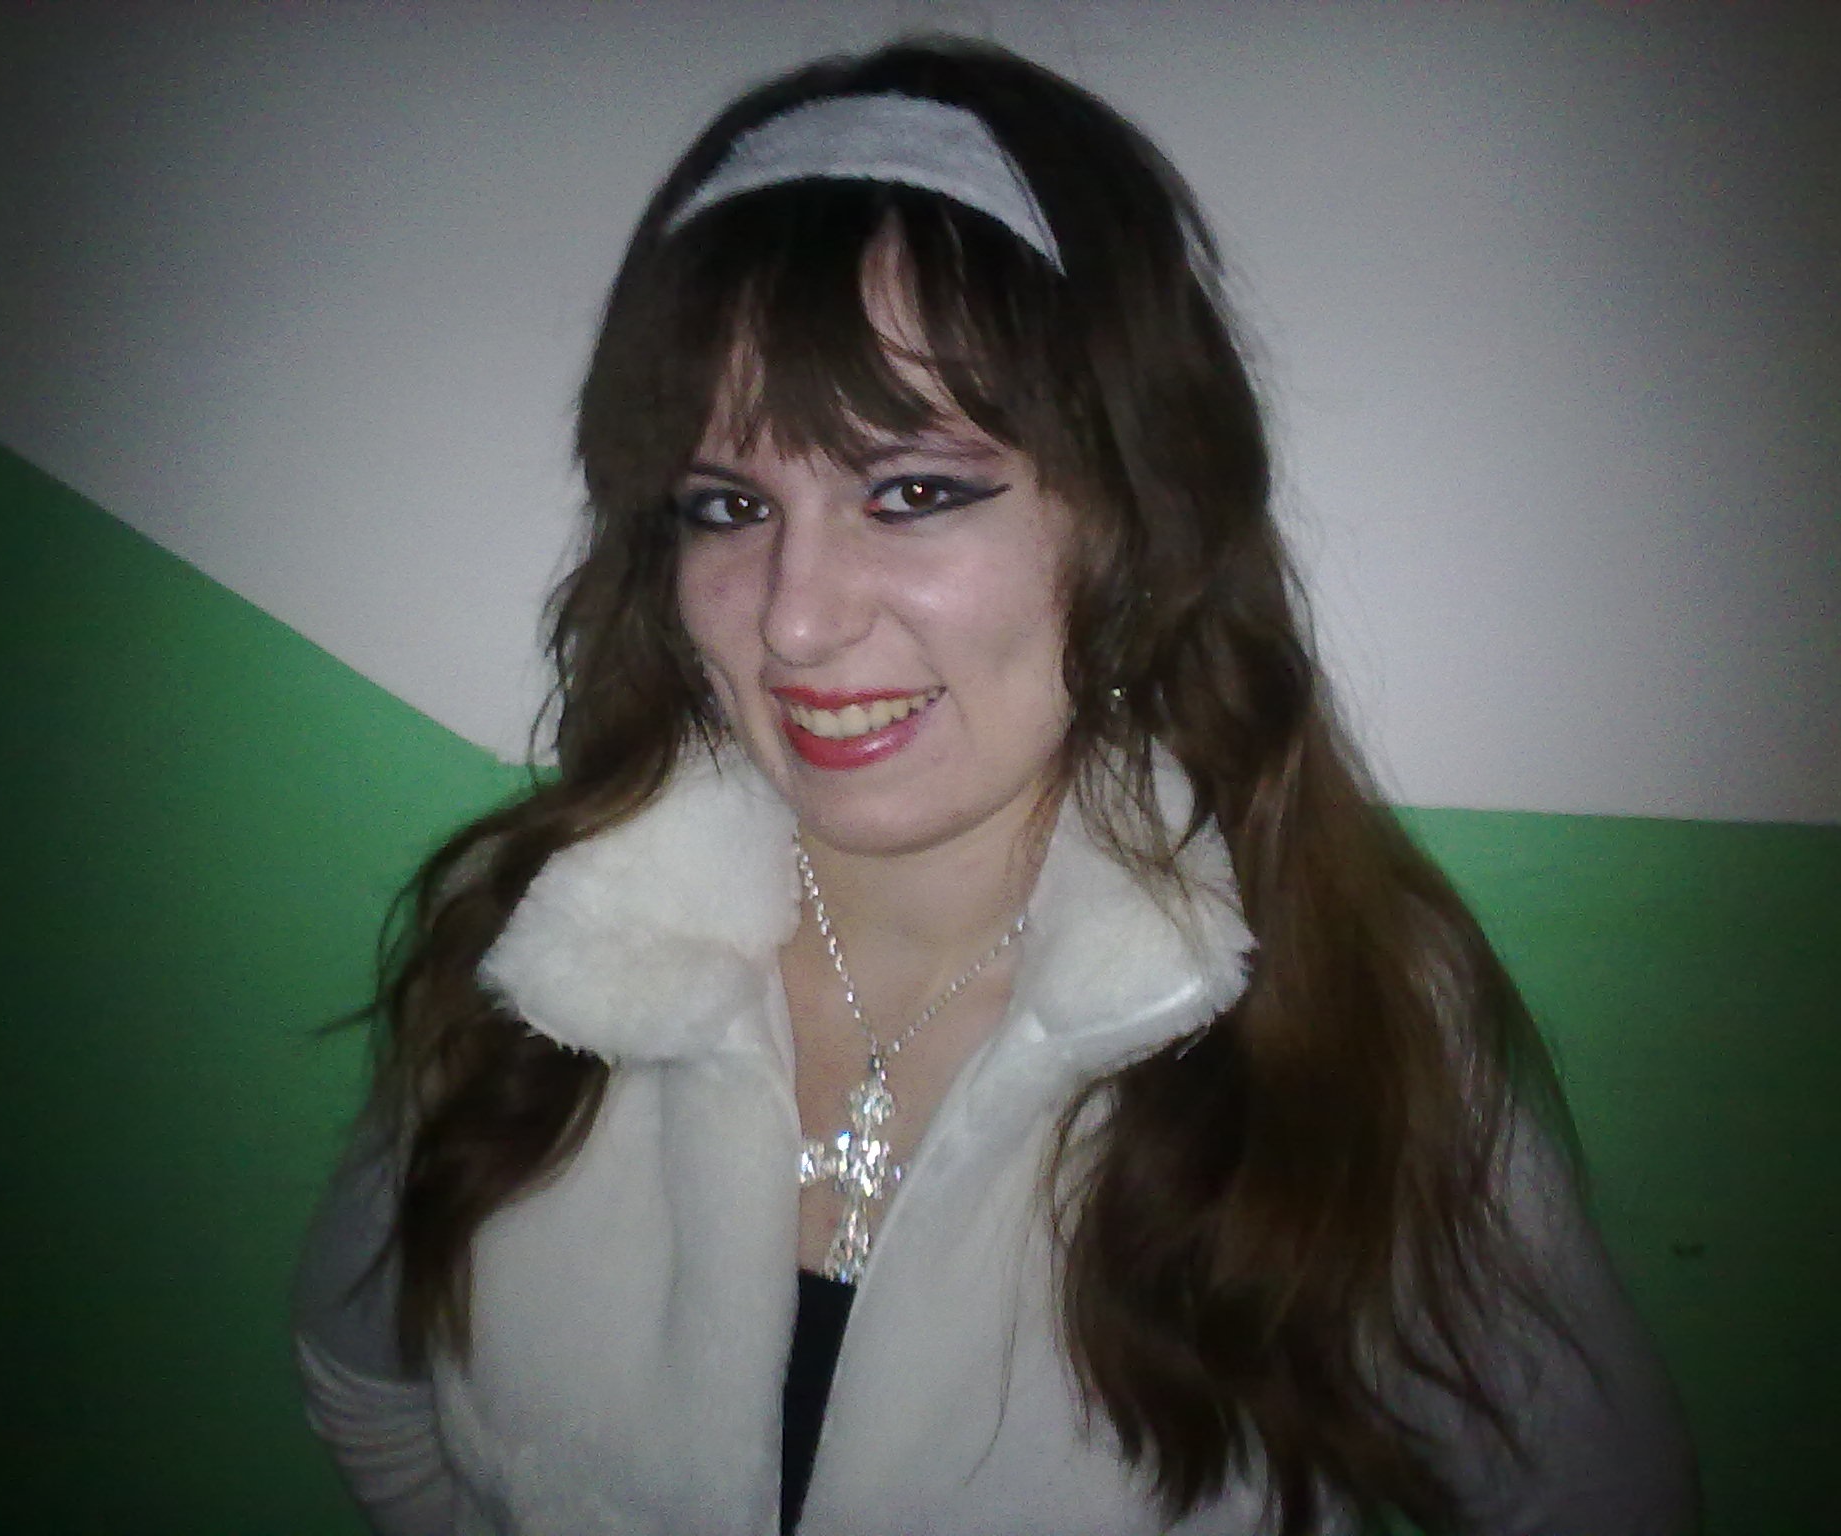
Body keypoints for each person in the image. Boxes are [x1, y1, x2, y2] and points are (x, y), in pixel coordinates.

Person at [293, 37, 1697, 1536]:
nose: (795, 620)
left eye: (912, 491)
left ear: (1131, 519)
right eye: (729, 505)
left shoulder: (1351, 1020)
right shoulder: (532, 951)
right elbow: (367, 1387)